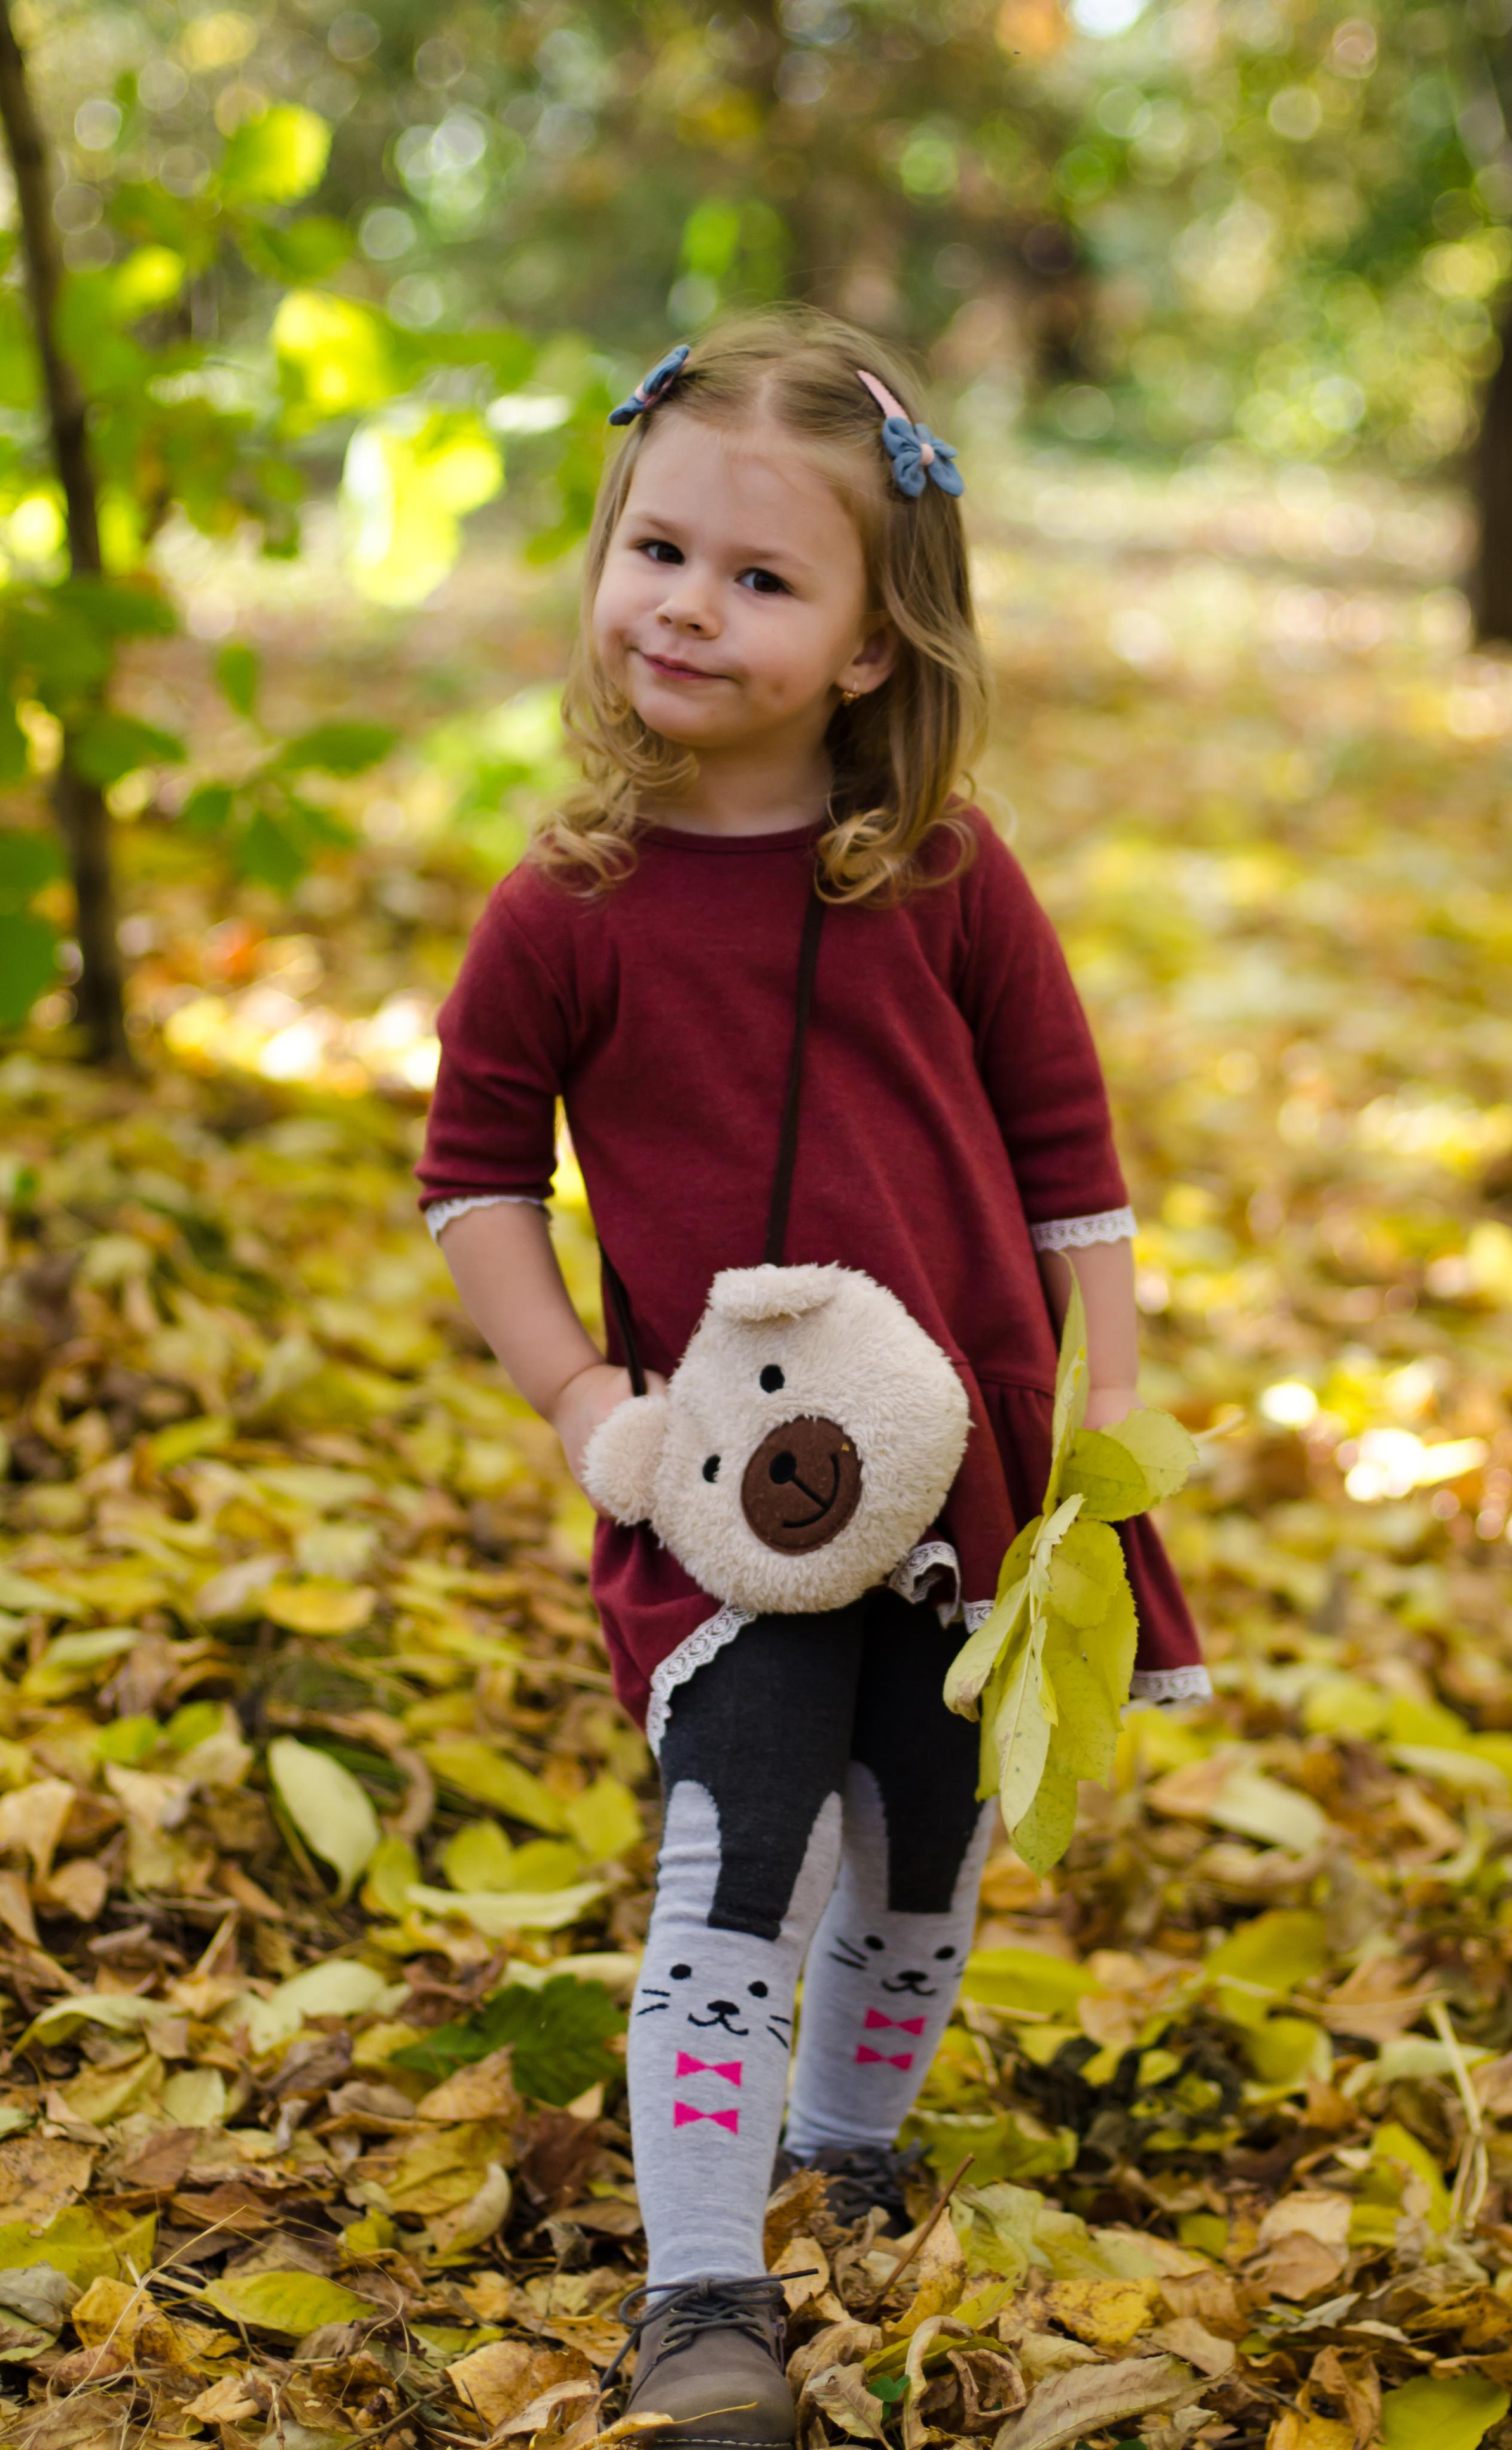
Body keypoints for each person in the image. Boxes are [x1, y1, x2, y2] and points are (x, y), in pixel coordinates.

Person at [418, 307, 1208, 2448]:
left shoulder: (943, 881)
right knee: (732, 1848)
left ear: (871, 643)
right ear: (603, 557)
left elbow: (1076, 1178)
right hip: (720, 1498)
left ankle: (846, 2139)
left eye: (763, 577)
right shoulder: (563, 908)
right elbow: (476, 1173)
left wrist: (1098, 1458)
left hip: (969, 1492)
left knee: (928, 1847)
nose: (690, 605)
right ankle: (700, 2296)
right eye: (658, 551)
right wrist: (591, 1401)